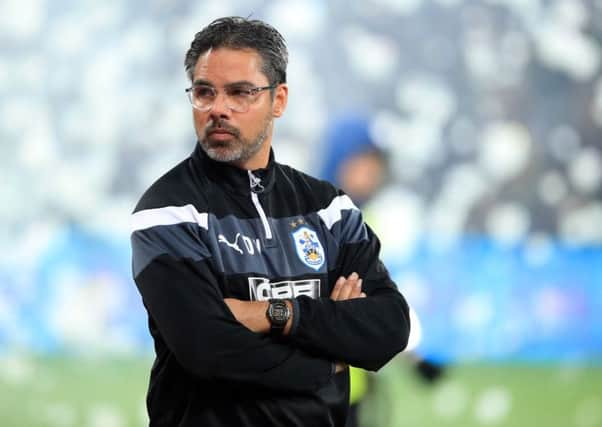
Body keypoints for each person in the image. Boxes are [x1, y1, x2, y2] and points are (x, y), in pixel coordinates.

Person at [130, 17, 411, 427]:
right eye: (204, 93)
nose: (219, 108)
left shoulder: (329, 208)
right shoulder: (168, 211)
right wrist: (328, 357)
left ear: (278, 100)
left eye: (240, 93)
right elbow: (208, 348)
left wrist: (275, 313)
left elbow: (389, 327)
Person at [319, 113, 445, 427]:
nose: (373, 173)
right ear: (339, 160)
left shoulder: (368, 222)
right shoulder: (303, 218)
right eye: (363, 161)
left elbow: (383, 298)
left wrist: (414, 357)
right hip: (310, 388)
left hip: (352, 388)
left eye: (376, 164)